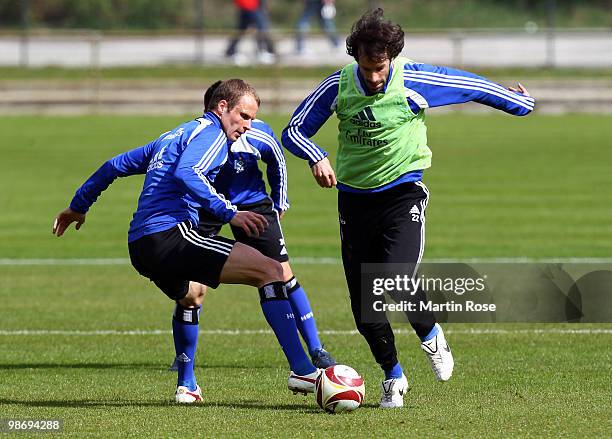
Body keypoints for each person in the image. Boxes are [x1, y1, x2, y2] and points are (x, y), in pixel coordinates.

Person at [281, 8, 535, 408]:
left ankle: (431, 336)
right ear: (356, 58)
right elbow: (294, 129)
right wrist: (315, 155)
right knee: (366, 310)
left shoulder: (414, 78)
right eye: (366, 67)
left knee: (393, 280)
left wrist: (520, 103)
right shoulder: (339, 85)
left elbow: (470, 86)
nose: (374, 76)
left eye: (380, 67)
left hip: (402, 195)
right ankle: (393, 377)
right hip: (354, 200)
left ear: (392, 58)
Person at [52, 79, 319, 404]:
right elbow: (188, 172)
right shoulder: (211, 134)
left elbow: (114, 166)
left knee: (193, 295)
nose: (248, 126)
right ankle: (303, 369)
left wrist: (78, 206)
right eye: (244, 116)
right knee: (272, 272)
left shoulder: (172, 135)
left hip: (141, 245)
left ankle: (186, 385)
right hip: (172, 234)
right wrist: (229, 214)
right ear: (222, 107)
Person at [169, 80, 336, 372]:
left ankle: (316, 348)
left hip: (252, 207)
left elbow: (277, 162)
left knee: (282, 274)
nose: (246, 123)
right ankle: (184, 363)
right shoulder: (203, 137)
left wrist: (279, 201)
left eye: (249, 117)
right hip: (209, 207)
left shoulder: (258, 133)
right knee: (193, 289)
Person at [226, 0, 276, 65]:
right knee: (261, 28)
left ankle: (230, 50)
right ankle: (267, 51)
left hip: (250, 6)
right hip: (250, 6)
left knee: (242, 29)